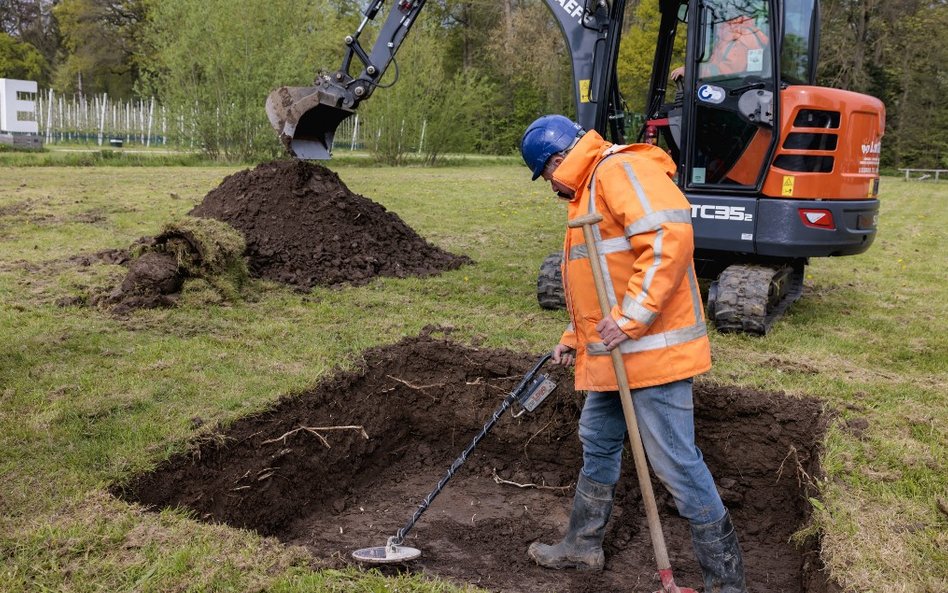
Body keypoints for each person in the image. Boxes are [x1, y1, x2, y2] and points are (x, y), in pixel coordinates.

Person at [519, 114, 748, 593]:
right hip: (617, 352)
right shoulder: (590, 190)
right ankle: (582, 546)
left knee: (677, 464)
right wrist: (574, 336)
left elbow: (669, 238)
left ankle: (726, 584)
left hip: (652, 352)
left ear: (557, 162)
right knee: (598, 437)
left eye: (546, 177)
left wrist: (631, 319)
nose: (550, 187)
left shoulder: (619, 171)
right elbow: (603, 282)